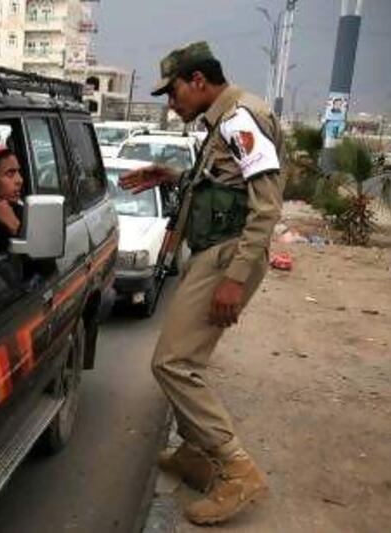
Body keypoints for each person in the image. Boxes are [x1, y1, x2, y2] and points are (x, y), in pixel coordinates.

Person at [119, 42, 285, 525]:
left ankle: (236, 468)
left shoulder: (239, 119)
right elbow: (225, 182)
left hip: (227, 256)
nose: (170, 104)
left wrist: (234, 279)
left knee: (171, 363)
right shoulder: (223, 120)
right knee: (183, 358)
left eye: (172, 93)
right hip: (214, 251)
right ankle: (195, 453)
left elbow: (267, 205)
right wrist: (170, 175)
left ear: (197, 80)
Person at [0, 142, 24, 248]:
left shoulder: (24, 214)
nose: (20, 180)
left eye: (18, 172)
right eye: (10, 174)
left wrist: (15, 227)